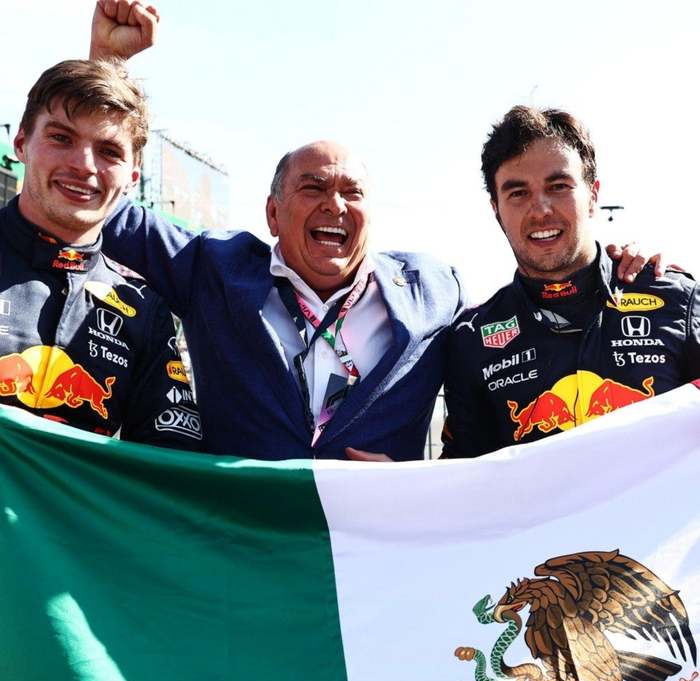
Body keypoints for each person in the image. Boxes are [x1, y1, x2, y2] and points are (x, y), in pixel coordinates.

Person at [89, 0, 655, 460]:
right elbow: (100, 204)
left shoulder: (435, 291)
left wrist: (614, 266)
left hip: (372, 557)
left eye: (352, 192)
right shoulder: (214, 269)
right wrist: (107, 63)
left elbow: (537, 312)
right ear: (273, 213)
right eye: (313, 188)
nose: (335, 205)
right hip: (246, 549)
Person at [441, 106, 700, 458]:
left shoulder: (677, 300)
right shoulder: (471, 338)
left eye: (558, 186)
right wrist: (384, 478)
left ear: (593, 195)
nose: (541, 210)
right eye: (518, 193)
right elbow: (462, 475)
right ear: (496, 210)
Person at [1, 57, 201, 448]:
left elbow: (170, 465)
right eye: (61, 138)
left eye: (109, 151)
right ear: (22, 143)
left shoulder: (144, 308)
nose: (84, 165)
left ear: (132, 178)